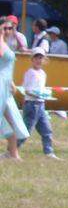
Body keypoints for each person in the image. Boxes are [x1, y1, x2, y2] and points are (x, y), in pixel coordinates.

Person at [19, 47, 56, 158]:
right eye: (36, 57)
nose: (39, 60)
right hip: (32, 104)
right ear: (32, 59)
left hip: (41, 104)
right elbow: (26, 89)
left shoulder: (43, 74)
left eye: (41, 58)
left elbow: (41, 88)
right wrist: (36, 95)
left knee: (47, 130)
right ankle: (12, 149)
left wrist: (45, 94)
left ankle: (49, 152)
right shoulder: (30, 73)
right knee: (26, 130)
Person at [0, 18, 27, 159]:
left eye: (10, 28)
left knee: (13, 121)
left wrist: (11, 83)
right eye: (5, 28)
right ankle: (13, 154)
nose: (8, 31)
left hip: (6, 87)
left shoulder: (6, 43)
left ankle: (13, 154)